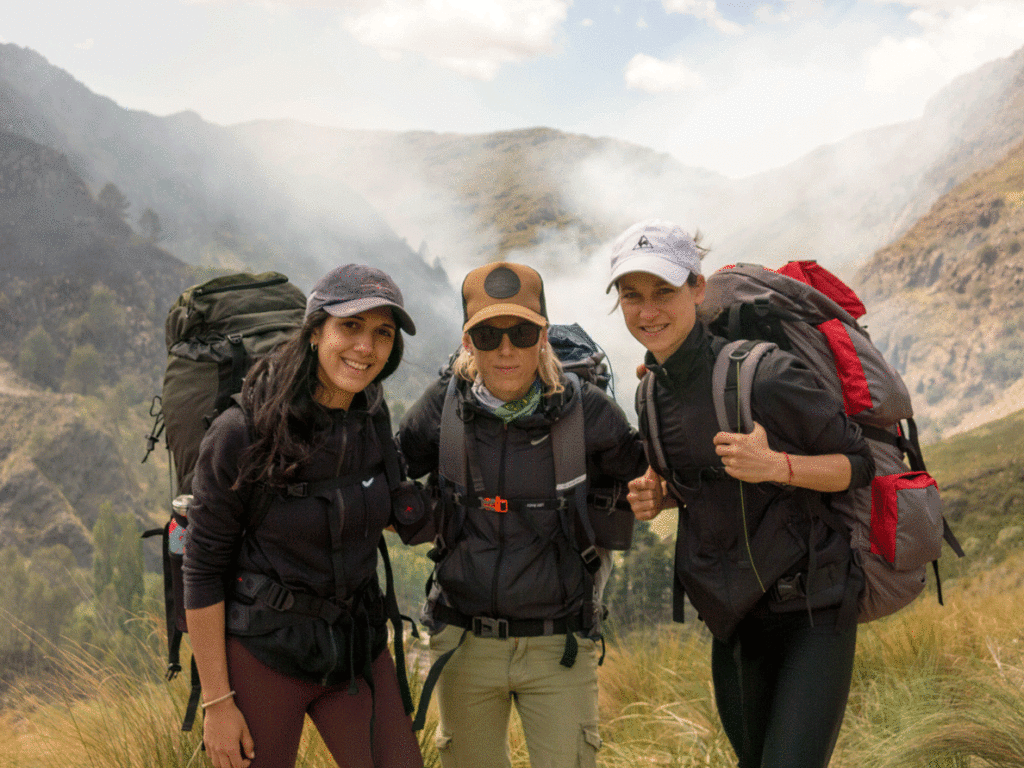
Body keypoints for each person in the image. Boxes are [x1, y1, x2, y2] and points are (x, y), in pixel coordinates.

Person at [609, 221, 874, 768]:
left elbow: (858, 465)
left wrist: (775, 465)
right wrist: (660, 501)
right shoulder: (650, 394)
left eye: (663, 292)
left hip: (812, 609)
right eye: (631, 296)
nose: (647, 310)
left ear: (697, 290)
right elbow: (698, 494)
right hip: (731, 615)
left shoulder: (768, 374)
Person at [398, 262, 647, 768]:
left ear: (544, 337)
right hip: (462, 641)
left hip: (560, 646)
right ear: (468, 342)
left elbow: (651, 487)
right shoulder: (442, 410)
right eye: (488, 334)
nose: (506, 349)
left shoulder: (590, 412)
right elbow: (384, 477)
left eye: (522, 332)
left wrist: (659, 512)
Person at [182, 264, 426, 768]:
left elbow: (382, 509)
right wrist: (217, 704)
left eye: (383, 333)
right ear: (315, 331)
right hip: (266, 652)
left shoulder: (370, 418)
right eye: (350, 326)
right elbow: (202, 569)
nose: (366, 347)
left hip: (355, 645)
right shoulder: (241, 432)